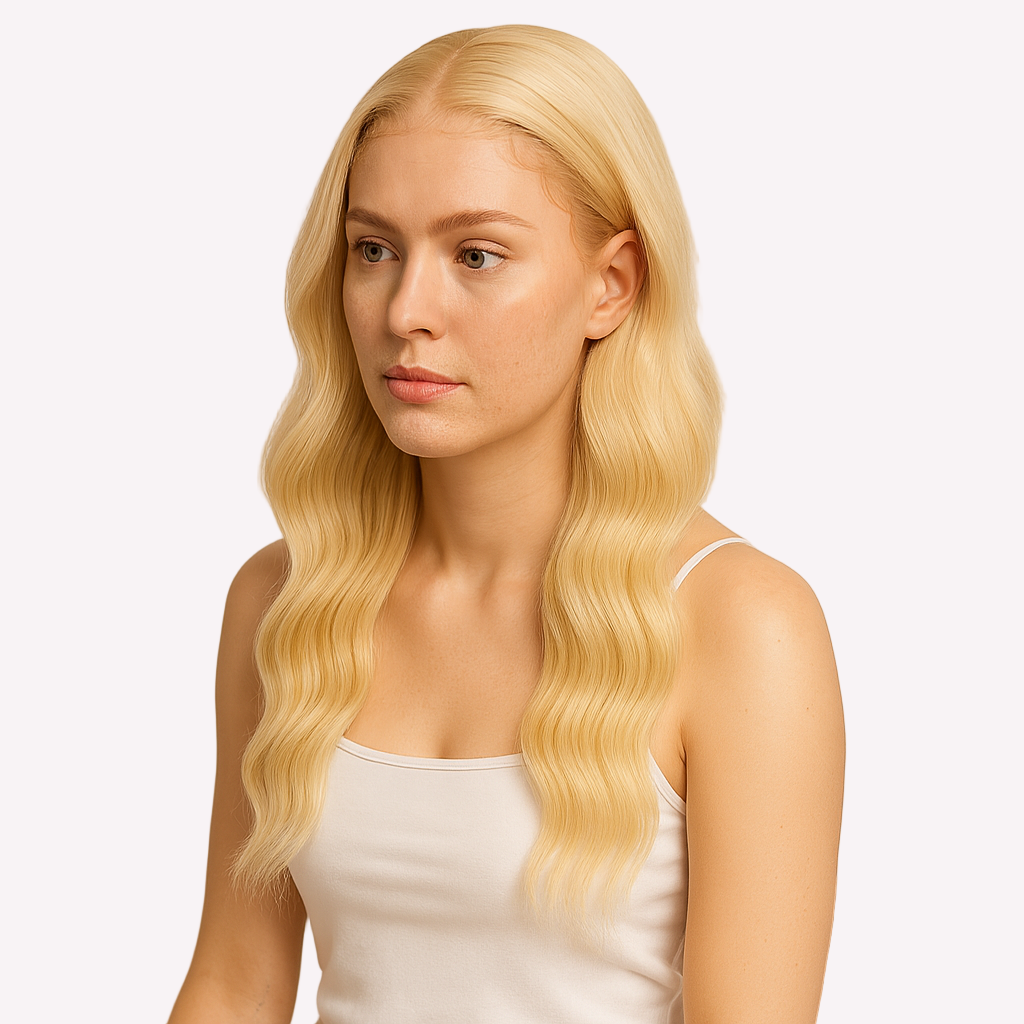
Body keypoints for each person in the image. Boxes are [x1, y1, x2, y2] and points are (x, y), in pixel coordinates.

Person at [168, 24, 845, 1024]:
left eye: (476, 255)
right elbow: (235, 985)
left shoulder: (742, 623)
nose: (406, 309)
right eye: (374, 249)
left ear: (612, 285)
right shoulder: (282, 599)